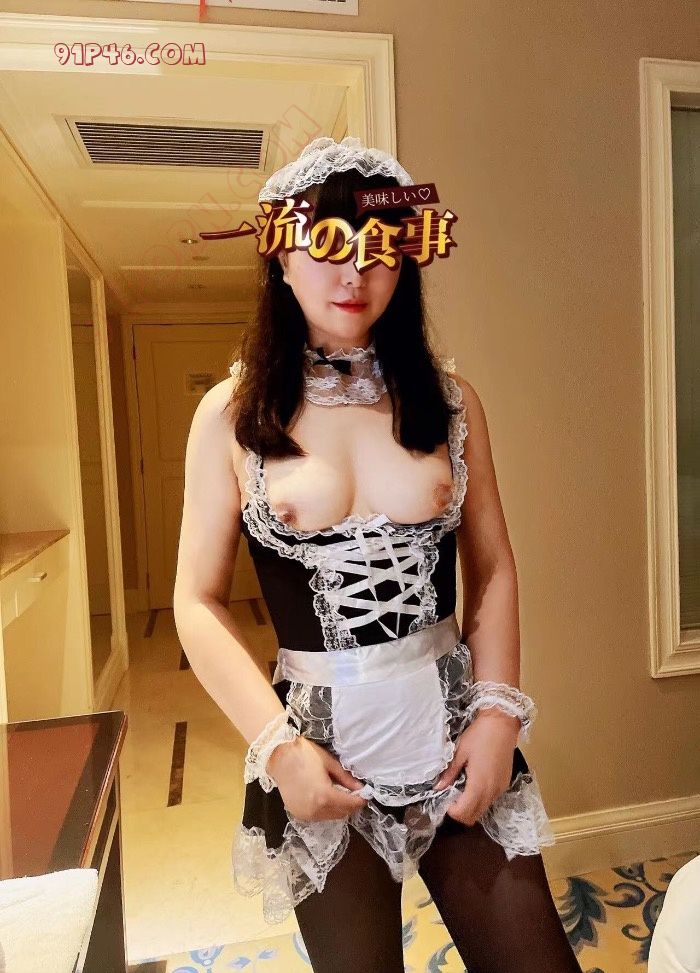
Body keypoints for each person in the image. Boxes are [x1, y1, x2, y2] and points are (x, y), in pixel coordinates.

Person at [174, 136, 583, 973]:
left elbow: (494, 567)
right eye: (327, 243)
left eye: (381, 246)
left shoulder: (451, 400)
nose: (355, 271)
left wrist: (498, 717)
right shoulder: (229, 415)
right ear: (280, 257)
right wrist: (277, 747)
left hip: (455, 732)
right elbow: (195, 599)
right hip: (320, 756)